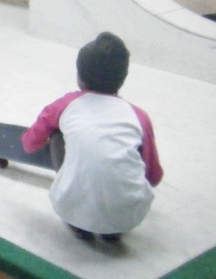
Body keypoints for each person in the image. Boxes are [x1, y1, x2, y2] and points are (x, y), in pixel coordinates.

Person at [21, 32, 163, 242]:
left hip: (71, 209)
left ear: (80, 76)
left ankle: (78, 222)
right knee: (135, 146)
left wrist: (31, 141)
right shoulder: (139, 117)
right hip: (129, 217)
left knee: (57, 132)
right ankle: (113, 229)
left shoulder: (65, 104)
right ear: (122, 78)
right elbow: (154, 176)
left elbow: (30, 143)